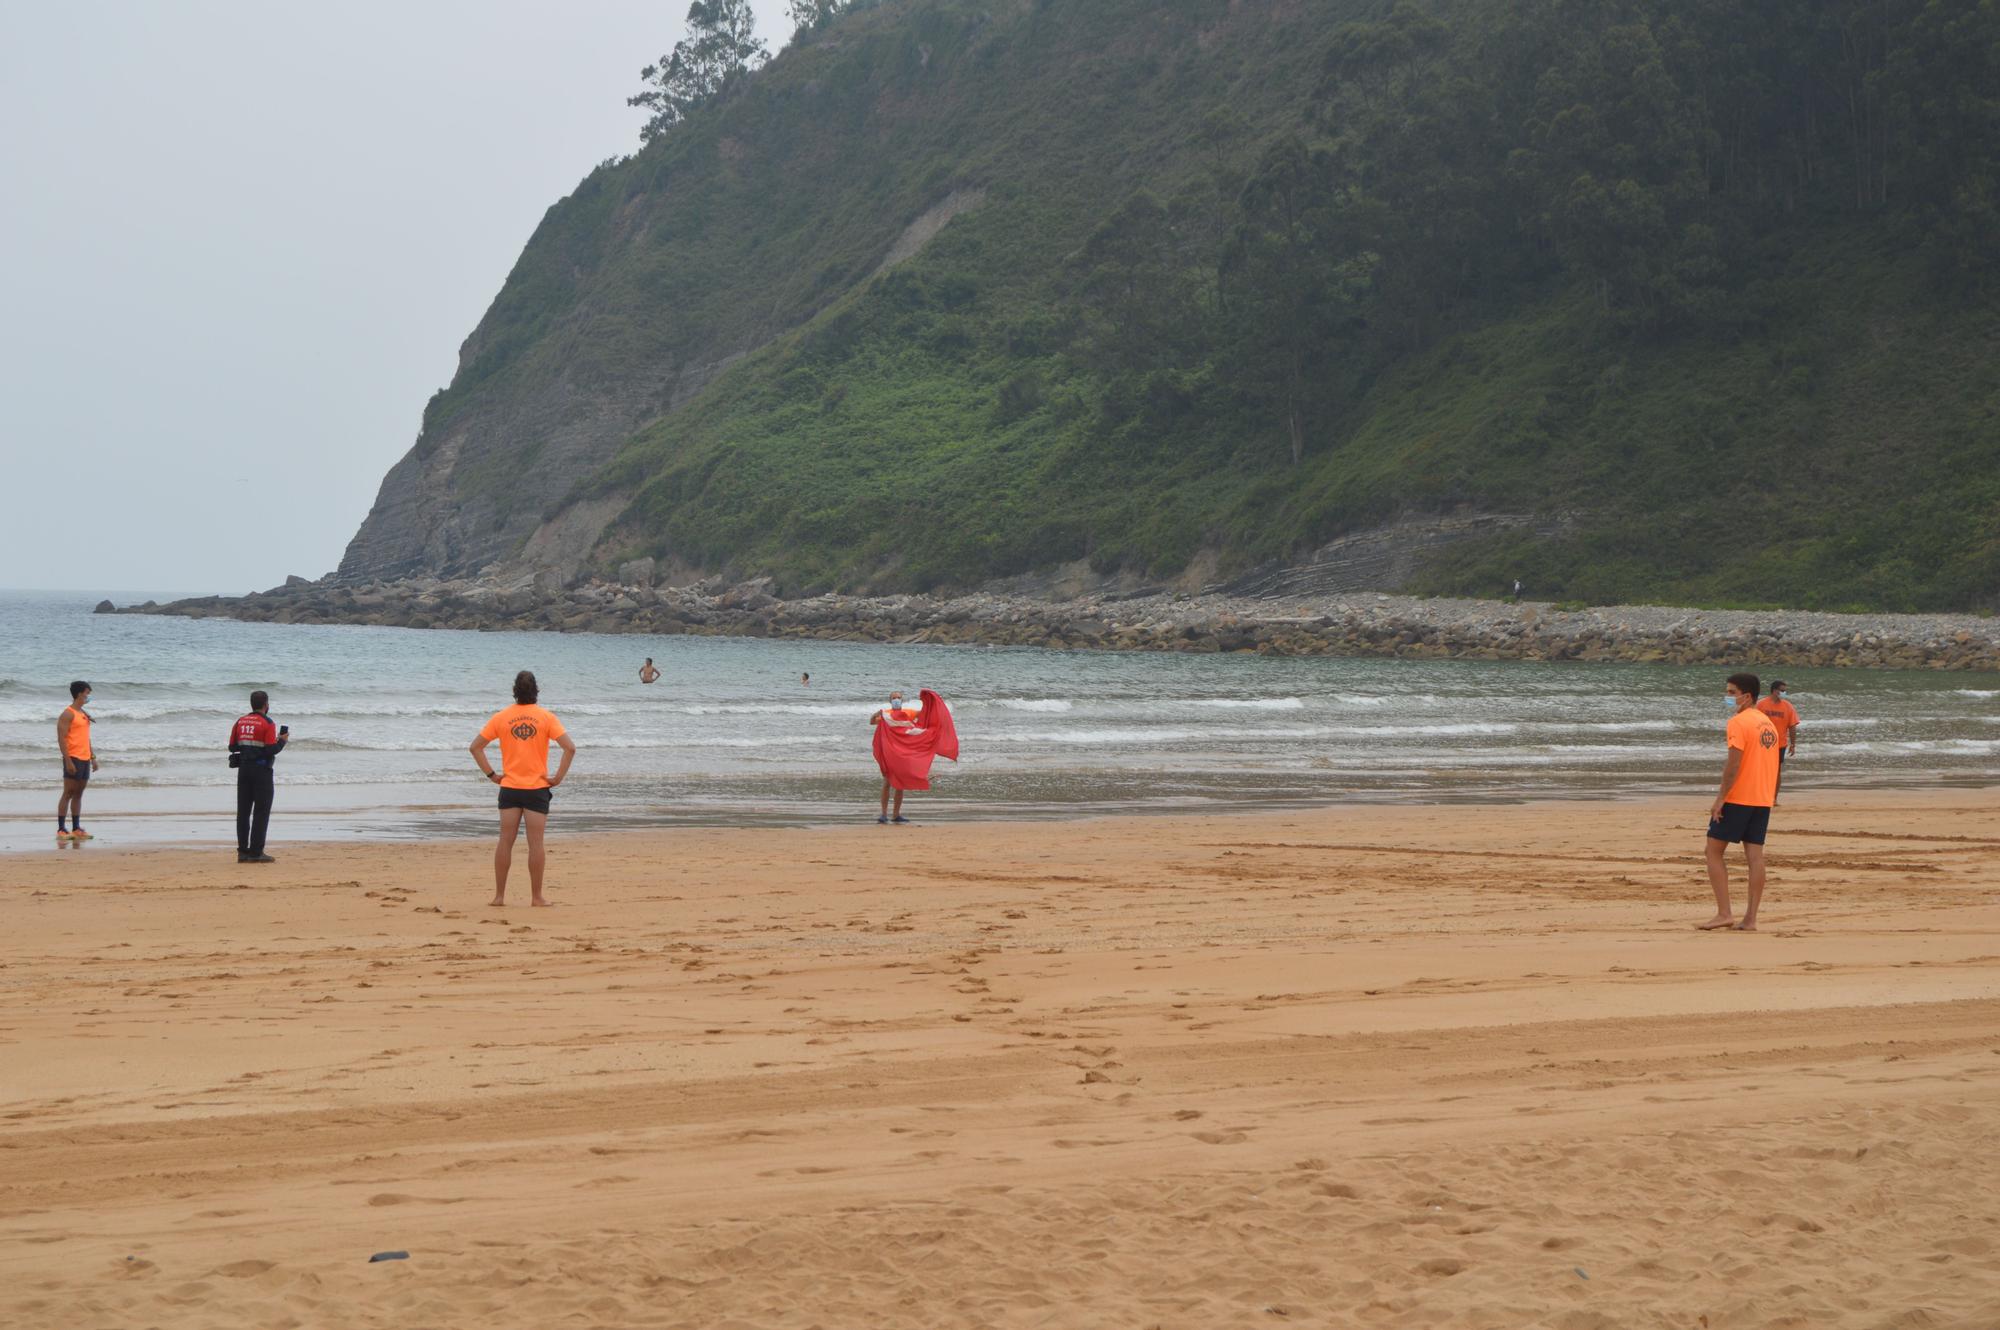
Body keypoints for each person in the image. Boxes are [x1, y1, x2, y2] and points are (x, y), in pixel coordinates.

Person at [471, 670, 575, 907]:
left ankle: (499, 897)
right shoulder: (546, 717)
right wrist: (557, 777)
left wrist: (492, 775)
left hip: (510, 788)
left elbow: (475, 747)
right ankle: (536, 897)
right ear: (536, 691)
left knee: (505, 841)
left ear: (515, 691)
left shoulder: (502, 717)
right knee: (536, 844)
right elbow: (570, 748)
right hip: (537, 788)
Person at [1700, 672, 1782, 932]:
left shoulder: (1738, 722)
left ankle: (1724, 913)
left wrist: (1720, 798)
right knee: (1755, 855)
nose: (1728, 697)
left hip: (1740, 796)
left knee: (1713, 851)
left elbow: (1733, 765)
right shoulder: (1766, 723)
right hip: (1762, 798)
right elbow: (1774, 764)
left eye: (1731, 692)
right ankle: (1750, 919)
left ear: (1747, 696)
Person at [870, 689, 958, 824]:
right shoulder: (886, 715)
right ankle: (883, 814)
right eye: (894, 698)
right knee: (887, 782)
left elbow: (927, 715)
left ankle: (896, 815)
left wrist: (931, 699)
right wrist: (876, 713)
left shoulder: (909, 713)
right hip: (889, 754)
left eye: (898, 697)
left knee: (900, 785)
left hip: (902, 755)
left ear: (902, 700)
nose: (896, 700)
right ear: (890, 701)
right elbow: (872, 722)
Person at [229, 690, 289, 863]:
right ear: (266, 704)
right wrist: (282, 741)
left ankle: (242, 852)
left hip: (244, 771)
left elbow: (232, 746)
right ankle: (256, 852)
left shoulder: (240, 721)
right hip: (262, 772)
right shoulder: (267, 723)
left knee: (243, 812)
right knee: (261, 811)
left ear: (251, 704)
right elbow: (271, 749)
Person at [56, 680, 97, 841]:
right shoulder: (68, 714)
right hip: (73, 757)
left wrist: (93, 757)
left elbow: (86, 738)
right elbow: (62, 739)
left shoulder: (83, 713)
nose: (89, 696)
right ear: (80, 694)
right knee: (68, 793)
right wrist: (68, 761)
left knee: (79, 794)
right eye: (87, 693)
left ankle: (76, 828)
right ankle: (61, 829)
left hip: (85, 757)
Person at [1756, 680, 1801, 803]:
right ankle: (1761, 795)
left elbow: (1792, 726)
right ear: (1774, 690)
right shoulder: (1761, 705)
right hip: (1762, 743)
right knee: (1761, 770)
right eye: (1782, 690)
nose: (1784, 693)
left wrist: (1793, 744)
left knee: (1776, 771)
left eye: (1785, 690)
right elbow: (1753, 723)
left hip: (1780, 744)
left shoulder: (1787, 706)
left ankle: (1773, 798)